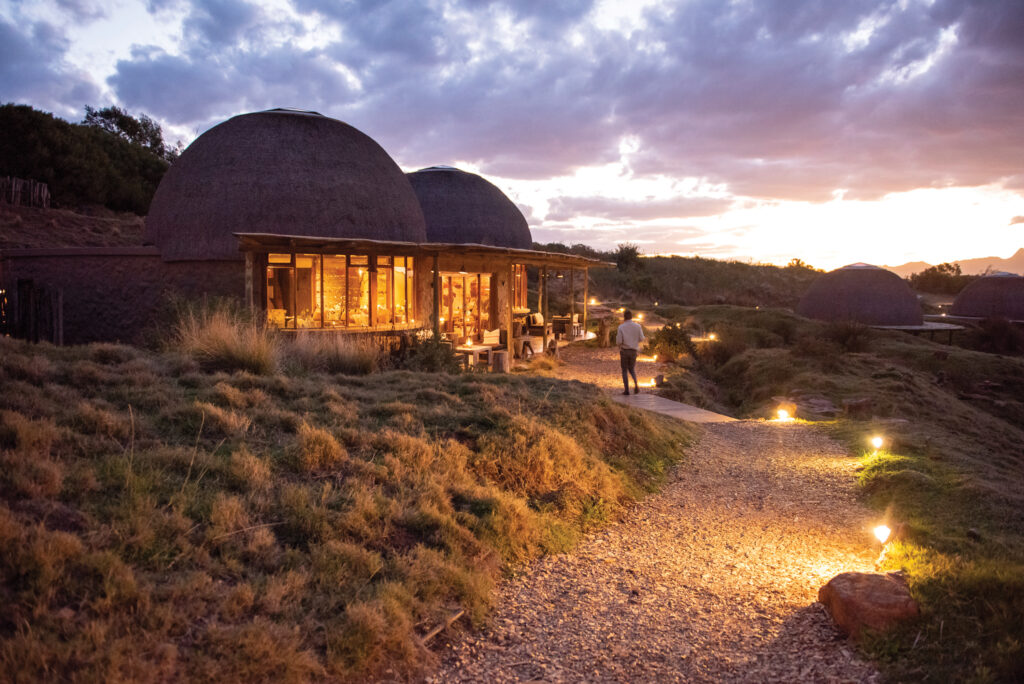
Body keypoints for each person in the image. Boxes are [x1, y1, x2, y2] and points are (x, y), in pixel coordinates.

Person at [616, 309, 645, 395]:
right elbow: (641, 338)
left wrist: (620, 345)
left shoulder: (621, 327)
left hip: (624, 351)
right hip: (633, 351)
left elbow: (619, 341)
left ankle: (627, 390)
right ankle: (636, 384)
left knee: (624, 370)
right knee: (632, 369)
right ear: (631, 317)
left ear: (624, 317)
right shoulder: (638, 326)